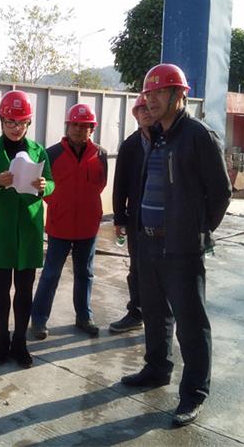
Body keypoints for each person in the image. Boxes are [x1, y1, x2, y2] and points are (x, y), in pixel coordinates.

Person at [120, 64, 231, 427]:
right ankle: (156, 368)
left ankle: (194, 393)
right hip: (148, 242)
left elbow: (221, 193)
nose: (150, 100)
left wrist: (196, 230)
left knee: (191, 323)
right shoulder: (155, 135)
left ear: (179, 95)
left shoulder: (198, 136)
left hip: (182, 248)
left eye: (159, 93)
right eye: (148, 94)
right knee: (154, 313)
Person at [0, 90, 54, 368]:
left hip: (30, 227)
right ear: (1, 121)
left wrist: (43, 187)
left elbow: (51, 183)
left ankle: (20, 342)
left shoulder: (38, 150)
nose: (15, 128)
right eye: (10, 122)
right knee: (1, 289)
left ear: (28, 123)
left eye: (21, 122)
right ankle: (2, 341)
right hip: (1, 228)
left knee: (24, 289)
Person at [30, 103, 107, 339]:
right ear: (68, 126)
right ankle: (39, 320)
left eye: (85, 126)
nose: (79, 130)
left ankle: (84, 316)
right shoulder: (51, 154)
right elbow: (44, 187)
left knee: (85, 273)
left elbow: (101, 184)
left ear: (92, 129)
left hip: (87, 225)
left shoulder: (100, 154)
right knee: (51, 274)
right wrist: (58, 204)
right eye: (75, 125)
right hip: (60, 225)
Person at [109, 95, 154, 334]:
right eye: (140, 109)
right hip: (137, 218)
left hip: (166, 220)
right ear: (135, 115)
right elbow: (120, 185)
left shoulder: (168, 141)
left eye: (148, 108)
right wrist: (119, 219)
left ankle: (161, 316)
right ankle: (136, 312)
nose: (145, 112)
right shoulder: (130, 145)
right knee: (136, 268)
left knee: (164, 270)